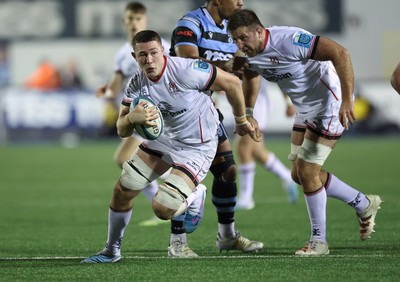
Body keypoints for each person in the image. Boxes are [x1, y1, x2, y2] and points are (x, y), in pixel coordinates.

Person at [81, 30, 258, 263]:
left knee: (162, 209)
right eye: (142, 55)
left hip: (198, 144)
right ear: (135, 57)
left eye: (154, 53)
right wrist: (132, 118)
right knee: (122, 190)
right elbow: (121, 129)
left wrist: (242, 120)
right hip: (163, 140)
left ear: (162, 51)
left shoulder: (187, 70)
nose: (149, 59)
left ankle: (196, 195)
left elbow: (233, 83)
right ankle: (111, 251)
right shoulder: (136, 83)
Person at [227, 9, 383, 256]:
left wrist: (346, 100)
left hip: (329, 103)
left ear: (259, 31)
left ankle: (318, 241)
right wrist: (248, 111)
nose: (239, 44)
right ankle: (364, 203)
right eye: (235, 39)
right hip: (305, 107)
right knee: (299, 175)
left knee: (309, 171)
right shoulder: (247, 53)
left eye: (243, 38)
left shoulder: (289, 40)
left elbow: (340, 53)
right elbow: (251, 74)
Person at [168, 0, 271, 256]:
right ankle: (177, 243)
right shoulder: (190, 24)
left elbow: (250, 71)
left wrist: (248, 112)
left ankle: (227, 237)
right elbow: (187, 63)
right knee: (184, 174)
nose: (241, 2)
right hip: (177, 110)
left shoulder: (234, 31)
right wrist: (225, 68)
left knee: (228, 171)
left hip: (205, 110)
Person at [96, 2, 171, 227]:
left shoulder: (162, 46)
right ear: (124, 22)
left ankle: (173, 191)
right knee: (123, 160)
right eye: (129, 19)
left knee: (124, 159)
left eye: (137, 19)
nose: (133, 23)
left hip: (158, 115)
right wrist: (107, 92)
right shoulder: (122, 55)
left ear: (145, 21)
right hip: (139, 116)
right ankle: (166, 193)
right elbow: (116, 86)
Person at [235, 82, 298, 209]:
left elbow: (277, 73)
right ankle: (287, 176)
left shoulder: (255, 61)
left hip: (254, 106)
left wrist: (289, 103)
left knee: (243, 149)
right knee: (257, 152)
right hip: (245, 104)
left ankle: (246, 198)